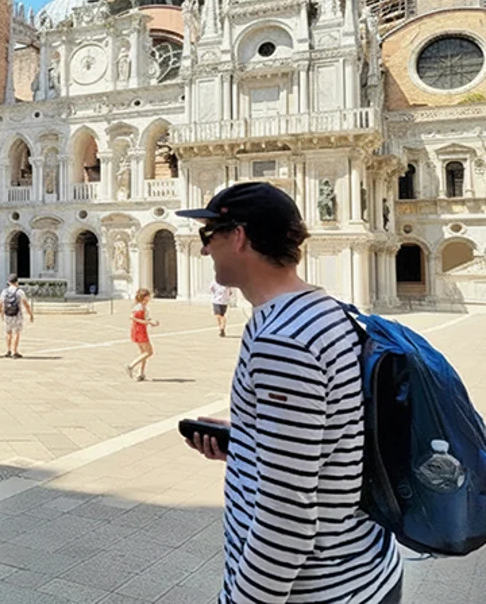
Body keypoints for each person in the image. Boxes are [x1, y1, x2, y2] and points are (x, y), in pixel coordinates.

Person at [178, 182, 402, 603]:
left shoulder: (283, 341)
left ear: (239, 237)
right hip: (364, 570)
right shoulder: (327, 310)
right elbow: (333, 437)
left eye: (209, 236)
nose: (204, 250)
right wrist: (247, 441)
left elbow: (288, 511)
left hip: (320, 589)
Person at [0, 274, 33, 358]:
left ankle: (8, 350)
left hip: (7, 314)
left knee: (8, 332)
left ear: (9, 282)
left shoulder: (4, 291)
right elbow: (26, 304)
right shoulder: (19, 292)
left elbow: (1, 304)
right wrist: (30, 314)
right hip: (17, 315)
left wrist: (1, 313)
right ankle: (15, 351)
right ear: (17, 282)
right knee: (17, 333)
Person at [126, 288, 158, 381]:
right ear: (145, 297)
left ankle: (140, 373)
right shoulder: (139, 307)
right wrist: (147, 322)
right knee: (149, 352)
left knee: (143, 353)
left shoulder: (142, 306)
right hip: (140, 330)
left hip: (139, 329)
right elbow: (133, 317)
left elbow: (145, 318)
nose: (150, 297)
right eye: (148, 296)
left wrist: (151, 322)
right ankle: (131, 366)